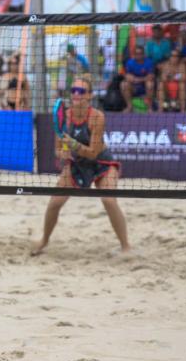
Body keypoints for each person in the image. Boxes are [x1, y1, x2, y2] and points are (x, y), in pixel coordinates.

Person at [32, 75, 130, 256]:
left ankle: (125, 246)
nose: (76, 94)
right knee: (54, 203)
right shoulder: (64, 117)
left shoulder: (97, 117)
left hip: (102, 162)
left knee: (109, 200)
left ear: (90, 96)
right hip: (77, 163)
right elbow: (58, 149)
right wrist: (63, 153)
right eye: (74, 91)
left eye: (81, 91)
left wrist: (72, 144)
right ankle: (44, 240)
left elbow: (93, 152)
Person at [121, 45, 155, 113]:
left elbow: (151, 76)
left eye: (140, 53)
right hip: (134, 87)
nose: (138, 55)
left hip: (145, 87)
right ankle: (129, 106)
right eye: (136, 54)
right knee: (124, 84)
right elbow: (128, 77)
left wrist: (137, 79)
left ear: (143, 54)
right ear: (134, 54)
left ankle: (149, 108)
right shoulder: (130, 62)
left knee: (150, 84)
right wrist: (143, 78)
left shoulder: (149, 62)